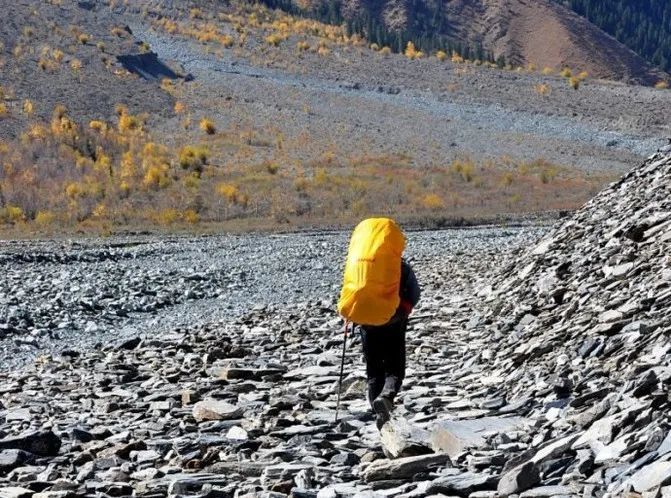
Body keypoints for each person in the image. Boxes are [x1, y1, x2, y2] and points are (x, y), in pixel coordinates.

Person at [358, 259, 420, 429]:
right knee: (395, 369)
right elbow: (414, 294)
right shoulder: (399, 265)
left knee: (374, 371)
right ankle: (385, 397)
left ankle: (378, 414)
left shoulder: (361, 263)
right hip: (394, 321)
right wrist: (403, 311)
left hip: (367, 323)